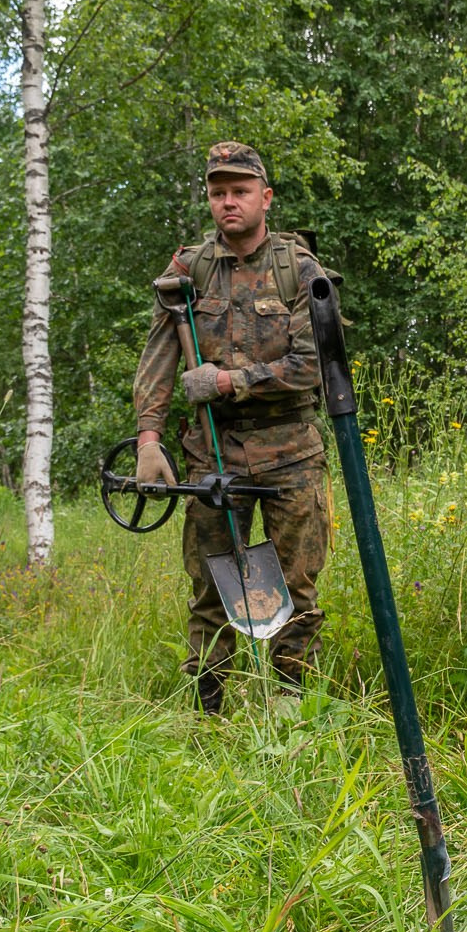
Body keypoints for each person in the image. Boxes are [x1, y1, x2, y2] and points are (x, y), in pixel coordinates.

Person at [133, 141, 333, 714]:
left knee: (295, 591)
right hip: (212, 457)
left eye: (240, 192)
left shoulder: (300, 271)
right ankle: (208, 715)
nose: (228, 203)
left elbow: (312, 365)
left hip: (291, 457)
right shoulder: (186, 273)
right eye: (218, 193)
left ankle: (289, 714)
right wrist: (149, 441)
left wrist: (227, 382)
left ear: (264, 198)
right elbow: (157, 358)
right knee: (211, 591)